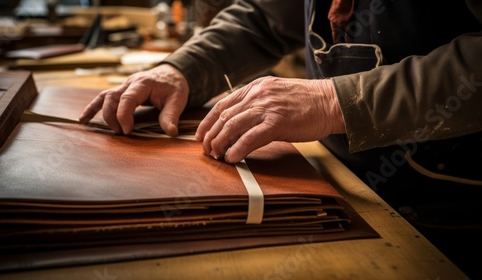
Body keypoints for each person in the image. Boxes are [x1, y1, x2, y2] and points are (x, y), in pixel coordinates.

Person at [80, 0, 482, 277]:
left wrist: (333, 100)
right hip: (341, 181)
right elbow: (263, 17)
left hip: (450, 208)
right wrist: (182, 68)